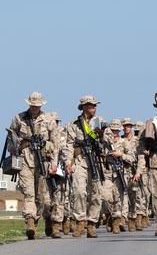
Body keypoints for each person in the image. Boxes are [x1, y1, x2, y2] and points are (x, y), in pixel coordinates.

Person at [8, 92, 65, 239]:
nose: (35, 108)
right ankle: (31, 222)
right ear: (29, 104)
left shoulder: (49, 120)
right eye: (33, 105)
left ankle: (46, 219)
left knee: (44, 198)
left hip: (43, 162)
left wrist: (54, 164)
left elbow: (56, 144)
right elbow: (10, 136)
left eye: (37, 105)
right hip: (25, 160)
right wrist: (13, 148)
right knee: (29, 193)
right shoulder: (19, 118)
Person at [63, 96, 106, 238]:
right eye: (91, 105)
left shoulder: (100, 122)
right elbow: (68, 145)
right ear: (84, 107)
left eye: (95, 105)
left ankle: (91, 224)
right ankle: (80, 222)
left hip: (95, 162)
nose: (94, 108)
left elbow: (109, 142)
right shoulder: (73, 125)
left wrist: (102, 135)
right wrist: (68, 163)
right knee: (79, 192)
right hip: (80, 162)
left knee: (96, 195)